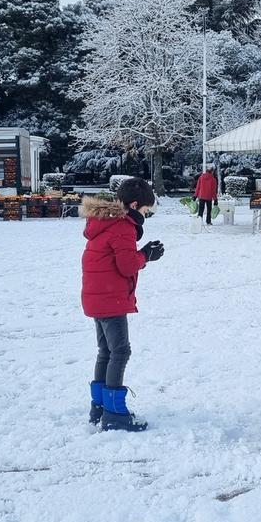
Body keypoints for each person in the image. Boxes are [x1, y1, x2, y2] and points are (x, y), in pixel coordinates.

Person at [82, 177, 164, 432]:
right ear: (135, 204)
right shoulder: (123, 226)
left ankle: (99, 407)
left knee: (105, 351)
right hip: (110, 298)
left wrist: (140, 253)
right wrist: (146, 255)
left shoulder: (105, 222)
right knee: (120, 352)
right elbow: (127, 265)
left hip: (97, 296)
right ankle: (115, 413)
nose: (145, 217)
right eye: (145, 211)